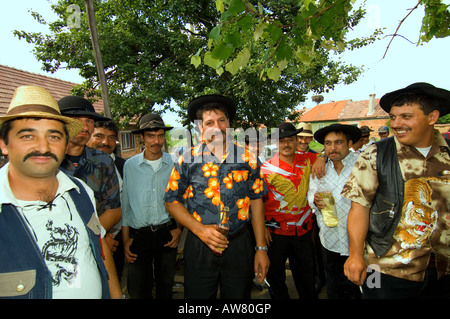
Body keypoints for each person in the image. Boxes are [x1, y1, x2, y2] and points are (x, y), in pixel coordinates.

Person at [0, 85, 121, 299]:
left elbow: (99, 247)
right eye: (28, 136)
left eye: (54, 136)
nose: (43, 146)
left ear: (64, 143)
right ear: (4, 144)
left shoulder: (80, 191)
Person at [342, 82, 450, 299]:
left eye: (406, 117)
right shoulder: (375, 154)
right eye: (393, 117)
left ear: (432, 118)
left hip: (442, 270)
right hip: (383, 268)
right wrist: (355, 255)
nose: (396, 124)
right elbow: (359, 208)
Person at [164, 94, 269, 299]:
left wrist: (261, 248)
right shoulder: (187, 159)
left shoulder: (248, 157)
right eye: (209, 122)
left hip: (239, 245)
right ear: (200, 128)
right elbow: (171, 201)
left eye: (222, 120)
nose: (217, 127)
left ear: (229, 124)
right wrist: (200, 230)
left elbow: (256, 201)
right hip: (199, 246)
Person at [121, 113, 181, 299]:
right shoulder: (130, 165)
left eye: (160, 136)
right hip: (140, 234)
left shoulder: (175, 163)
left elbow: (183, 200)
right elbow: (126, 205)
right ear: (142, 137)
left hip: (167, 233)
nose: (156, 141)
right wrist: (126, 241)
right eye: (151, 136)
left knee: (165, 286)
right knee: (138, 289)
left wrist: (178, 230)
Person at [261, 122, 318, 299]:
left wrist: (322, 157)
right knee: (275, 277)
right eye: (282, 140)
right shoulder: (265, 169)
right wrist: (262, 229)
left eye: (290, 140)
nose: (286, 144)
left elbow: (328, 157)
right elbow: (259, 203)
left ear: (297, 141)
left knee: (307, 277)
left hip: (303, 230)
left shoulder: (311, 160)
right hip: (275, 232)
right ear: (276, 144)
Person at [307, 124, 362, 299]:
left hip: (362, 244)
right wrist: (314, 200)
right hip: (330, 241)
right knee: (335, 290)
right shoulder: (319, 169)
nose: (333, 148)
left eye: (338, 142)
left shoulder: (363, 166)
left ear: (350, 143)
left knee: (367, 288)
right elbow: (310, 195)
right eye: (328, 143)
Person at [57, 96, 122, 242]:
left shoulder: (103, 161)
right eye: (77, 120)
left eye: (89, 121)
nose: (85, 127)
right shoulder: (45, 161)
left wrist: (93, 238)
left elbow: (113, 210)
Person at [87, 120, 126, 281]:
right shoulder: (76, 164)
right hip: (88, 240)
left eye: (111, 138)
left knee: (115, 281)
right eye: (99, 136)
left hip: (117, 239)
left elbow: (124, 203)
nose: (105, 142)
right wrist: (101, 238)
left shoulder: (123, 165)